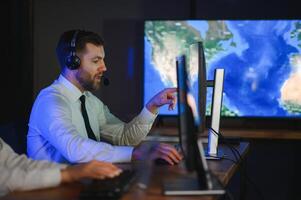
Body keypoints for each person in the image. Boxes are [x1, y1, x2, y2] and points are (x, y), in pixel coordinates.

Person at [27, 30, 182, 165]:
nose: (104, 67)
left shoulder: (90, 101)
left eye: (102, 59)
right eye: (96, 61)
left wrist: (152, 105)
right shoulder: (51, 101)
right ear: (72, 62)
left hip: (81, 184)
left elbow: (125, 138)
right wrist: (136, 153)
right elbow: (74, 149)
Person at [0, 137, 121, 197]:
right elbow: (3, 179)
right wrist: (69, 174)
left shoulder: (92, 102)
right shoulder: (51, 100)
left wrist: (69, 170)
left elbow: (13, 162)